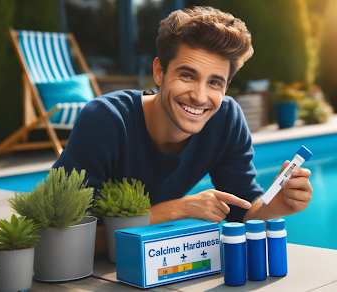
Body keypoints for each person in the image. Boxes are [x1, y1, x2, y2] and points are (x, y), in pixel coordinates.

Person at [53, 6, 312, 229]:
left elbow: (243, 213)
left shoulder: (226, 120)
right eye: (187, 75)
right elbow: (61, 234)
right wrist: (176, 209)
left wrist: (275, 206)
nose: (200, 97)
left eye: (214, 82)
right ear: (159, 72)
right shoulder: (105, 121)